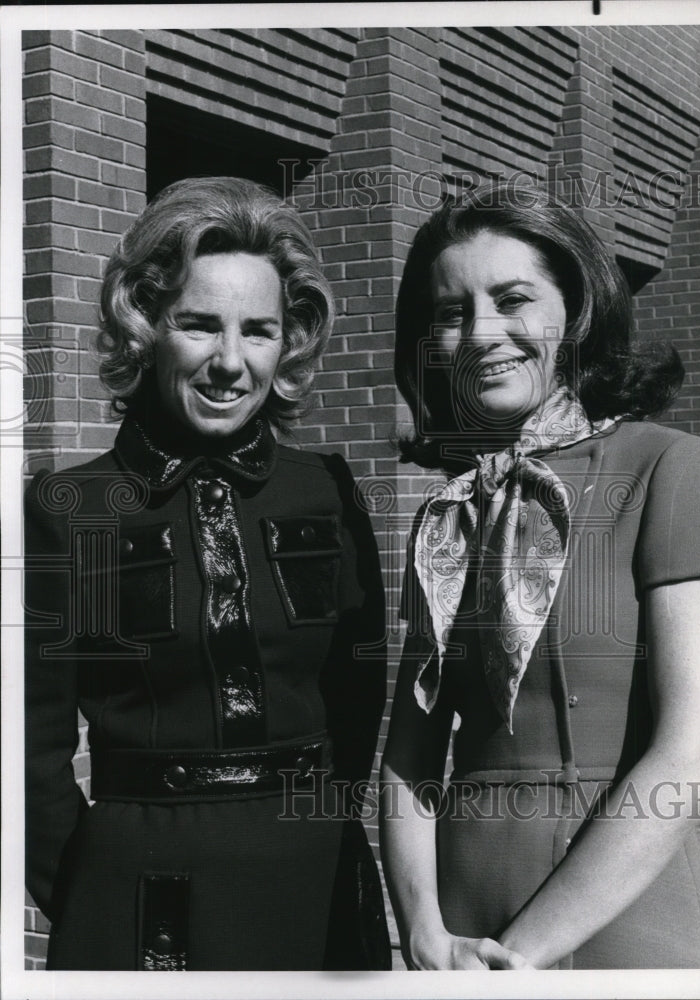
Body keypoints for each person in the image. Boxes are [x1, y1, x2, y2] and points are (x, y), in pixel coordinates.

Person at [25, 176, 390, 971]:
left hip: (313, 874)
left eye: (257, 330)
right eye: (198, 325)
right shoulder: (70, 505)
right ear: (147, 325)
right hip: (139, 888)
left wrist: (326, 826)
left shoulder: (326, 489)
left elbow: (358, 691)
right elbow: (27, 745)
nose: (230, 362)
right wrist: (90, 888)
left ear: (287, 343)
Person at [380, 185, 700, 970]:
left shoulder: (667, 468)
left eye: (513, 300)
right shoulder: (449, 515)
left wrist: (525, 955)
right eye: (449, 312)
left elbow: (697, 751)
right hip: (463, 929)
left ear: (573, 311)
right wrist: (424, 933)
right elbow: (410, 755)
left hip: (620, 914)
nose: (480, 334)